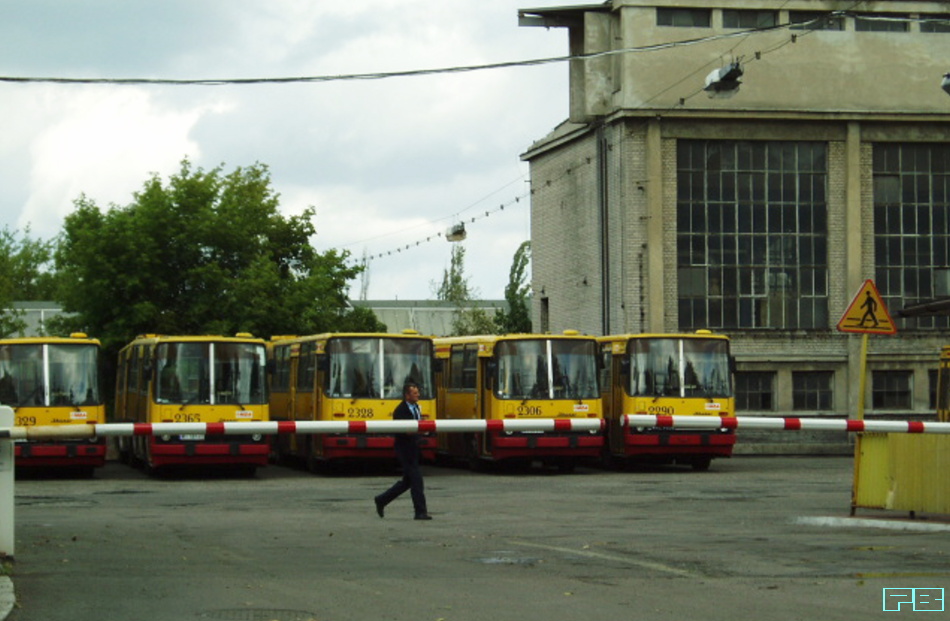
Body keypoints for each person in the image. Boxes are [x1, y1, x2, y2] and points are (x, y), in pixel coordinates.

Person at [374, 382, 431, 520]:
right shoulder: (400, 410)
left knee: (407, 482)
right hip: (405, 450)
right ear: (407, 395)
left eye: (418, 392)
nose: (418, 395)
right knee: (417, 481)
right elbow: (405, 431)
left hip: (414, 448)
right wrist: (421, 429)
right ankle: (420, 512)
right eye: (415, 393)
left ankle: (382, 499)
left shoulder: (416, 407)